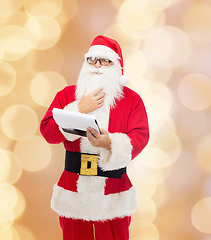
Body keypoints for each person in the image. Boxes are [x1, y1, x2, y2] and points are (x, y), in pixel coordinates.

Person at [40, 35, 149, 240]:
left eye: (105, 60)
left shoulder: (132, 100)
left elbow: (141, 136)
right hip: (74, 192)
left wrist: (109, 143)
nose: (97, 65)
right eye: (93, 60)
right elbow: (48, 132)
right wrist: (79, 109)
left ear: (116, 65)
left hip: (113, 193)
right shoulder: (67, 95)